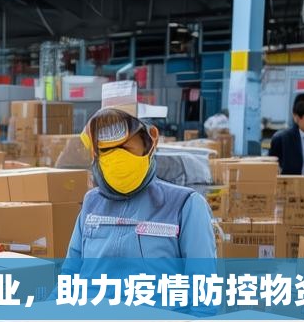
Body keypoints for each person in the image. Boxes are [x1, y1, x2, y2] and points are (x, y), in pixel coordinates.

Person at [65, 107, 216, 261]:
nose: (117, 157)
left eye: (125, 147)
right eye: (107, 150)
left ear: (148, 144)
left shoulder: (185, 205)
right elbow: (71, 270)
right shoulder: (92, 202)